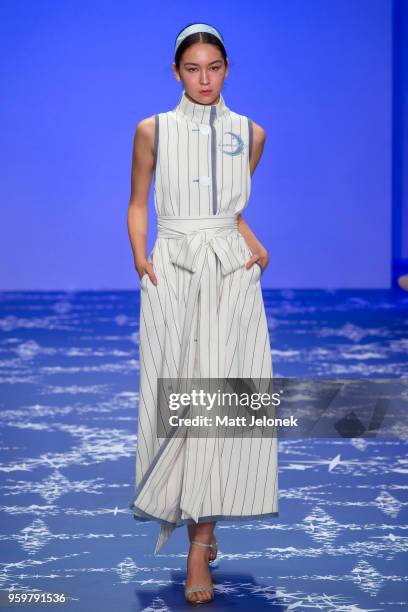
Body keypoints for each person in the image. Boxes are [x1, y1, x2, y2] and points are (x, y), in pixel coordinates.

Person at [127, 22, 279, 605]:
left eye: (213, 67)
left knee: (224, 401)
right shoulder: (153, 130)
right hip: (172, 272)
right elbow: (138, 202)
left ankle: (201, 546)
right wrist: (141, 259)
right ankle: (192, 527)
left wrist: (250, 240)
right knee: (177, 400)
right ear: (176, 73)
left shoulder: (252, 133)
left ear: (227, 69)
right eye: (193, 69)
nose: (204, 78)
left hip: (231, 275)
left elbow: (229, 203)